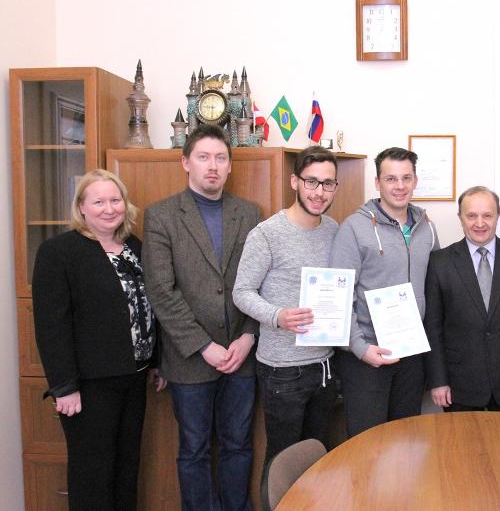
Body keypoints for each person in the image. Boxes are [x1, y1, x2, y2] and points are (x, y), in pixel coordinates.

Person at [143, 124, 260, 510]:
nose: (213, 165)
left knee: (237, 445)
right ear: (185, 163)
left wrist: (248, 337)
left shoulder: (249, 213)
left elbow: (261, 282)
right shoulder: (161, 216)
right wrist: (204, 346)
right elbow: (162, 292)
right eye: (204, 157)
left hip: (241, 357)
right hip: (190, 360)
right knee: (193, 450)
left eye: (220, 158)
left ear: (229, 166)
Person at [32, 169, 164, 510]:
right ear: (81, 207)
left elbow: (149, 308)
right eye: (99, 202)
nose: (109, 208)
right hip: (89, 386)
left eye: (115, 200)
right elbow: (51, 325)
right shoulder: (58, 252)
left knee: (126, 468)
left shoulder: (134, 247)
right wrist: (64, 386)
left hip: (133, 378)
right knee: (93, 474)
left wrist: (156, 361)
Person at [232, 146, 339, 468]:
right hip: (283, 371)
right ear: (295, 182)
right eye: (311, 181)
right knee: (282, 463)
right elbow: (242, 292)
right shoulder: (266, 234)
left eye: (328, 183)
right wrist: (278, 316)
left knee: (317, 460)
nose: (319, 192)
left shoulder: (334, 230)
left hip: (325, 366)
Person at [329, 147, 439, 437]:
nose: (399, 186)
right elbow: (340, 298)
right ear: (378, 183)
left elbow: (434, 288)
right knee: (368, 443)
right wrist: (360, 348)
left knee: (406, 440)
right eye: (391, 179)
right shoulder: (353, 228)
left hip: (411, 354)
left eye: (406, 178)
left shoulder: (427, 228)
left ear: (415, 181)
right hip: (367, 355)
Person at [424, 186, 500, 412]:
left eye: (487, 215)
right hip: (459, 385)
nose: (479, 223)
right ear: (460, 217)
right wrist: (438, 380)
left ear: (498, 216)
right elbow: (433, 328)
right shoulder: (439, 263)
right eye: (471, 215)